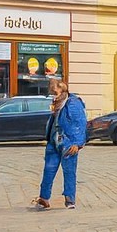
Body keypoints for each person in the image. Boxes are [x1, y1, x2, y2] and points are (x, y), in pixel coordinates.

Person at [33, 78, 87, 210]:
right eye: (52, 93)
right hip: (53, 141)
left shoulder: (73, 102)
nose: (53, 95)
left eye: (55, 92)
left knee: (69, 171)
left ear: (62, 89)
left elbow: (80, 123)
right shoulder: (57, 102)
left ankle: (70, 199)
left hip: (68, 142)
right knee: (48, 169)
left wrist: (78, 143)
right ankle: (44, 198)